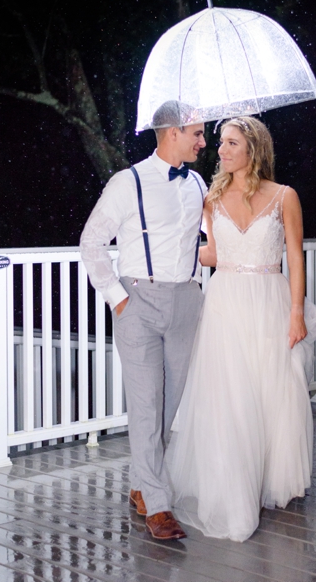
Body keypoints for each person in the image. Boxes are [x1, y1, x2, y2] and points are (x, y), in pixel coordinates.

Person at [164, 115, 316, 542]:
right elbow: (213, 253)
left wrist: (296, 312)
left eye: (231, 143)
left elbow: (296, 258)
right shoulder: (210, 199)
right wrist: (181, 250)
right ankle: (231, 489)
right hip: (225, 302)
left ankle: (267, 480)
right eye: (221, 143)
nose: (222, 150)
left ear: (254, 149)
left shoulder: (285, 197)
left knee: (270, 392)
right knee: (229, 395)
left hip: (270, 300)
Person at [80, 100, 207, 542]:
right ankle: (158, 506)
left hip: (187, 302)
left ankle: (140, 485)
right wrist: (118, 299)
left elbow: (206, 241)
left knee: (172, 406)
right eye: (197, 133)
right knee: (147, 406)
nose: (203, 142)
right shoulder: (126, 182)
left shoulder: (198, 184)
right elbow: (91, 241)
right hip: (139, 302)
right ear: (172, 132)